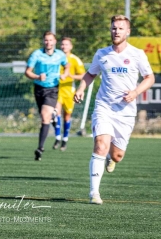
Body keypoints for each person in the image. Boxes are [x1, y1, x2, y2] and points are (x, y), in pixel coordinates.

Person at [74, 15, 155, 205]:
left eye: (120, 28)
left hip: (125, 112)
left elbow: (149, 78)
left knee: (117, 155)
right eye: (113, 28)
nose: (116, 31)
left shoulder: (137, 54)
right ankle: (94, 193)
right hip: (104, 107)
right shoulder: (102, 54)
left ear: (128, 32)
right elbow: (90, 74)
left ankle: (112, 158)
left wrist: (135, 92)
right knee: (100, 144)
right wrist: (80, 89)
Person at [25, 31, 70, 161]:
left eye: (50, 40)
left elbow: (67, 66)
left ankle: (40, 148)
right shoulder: (37, 54)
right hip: (39, 88)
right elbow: (28, 72)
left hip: (52, 89)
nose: (48, 42)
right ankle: (54, 116)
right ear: (43, 41)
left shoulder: (60, 55)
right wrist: (37, 76)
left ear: (55, 41)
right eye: (46, 40)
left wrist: (65, 74)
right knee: (44, 116)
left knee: (45, 117)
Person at [52, 37, 86, 151]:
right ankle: (57, 137)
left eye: (66, 44)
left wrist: (71, 76)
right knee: (55, 112)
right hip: (56, 89)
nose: (64, 46)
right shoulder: (55, 57)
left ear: (71, 47)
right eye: (62, 44)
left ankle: (65, 139)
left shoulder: (75, 59)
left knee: (67, 116)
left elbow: (83, 75)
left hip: (69, 90)